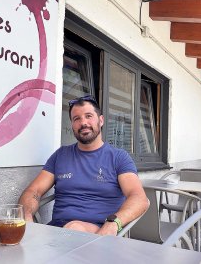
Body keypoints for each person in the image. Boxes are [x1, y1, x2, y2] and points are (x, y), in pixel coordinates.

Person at [19, 95, 149, 236]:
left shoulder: (118, 157)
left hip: (100, 234)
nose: (83, 123)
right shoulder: (61, 155)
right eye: (77, 119)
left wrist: (113, 223)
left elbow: (139, 198)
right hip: (58, 233)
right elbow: (33, 191)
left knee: (74, 228)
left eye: (89, 116)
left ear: (101, 120)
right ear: (72, 125)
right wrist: (26, 216)